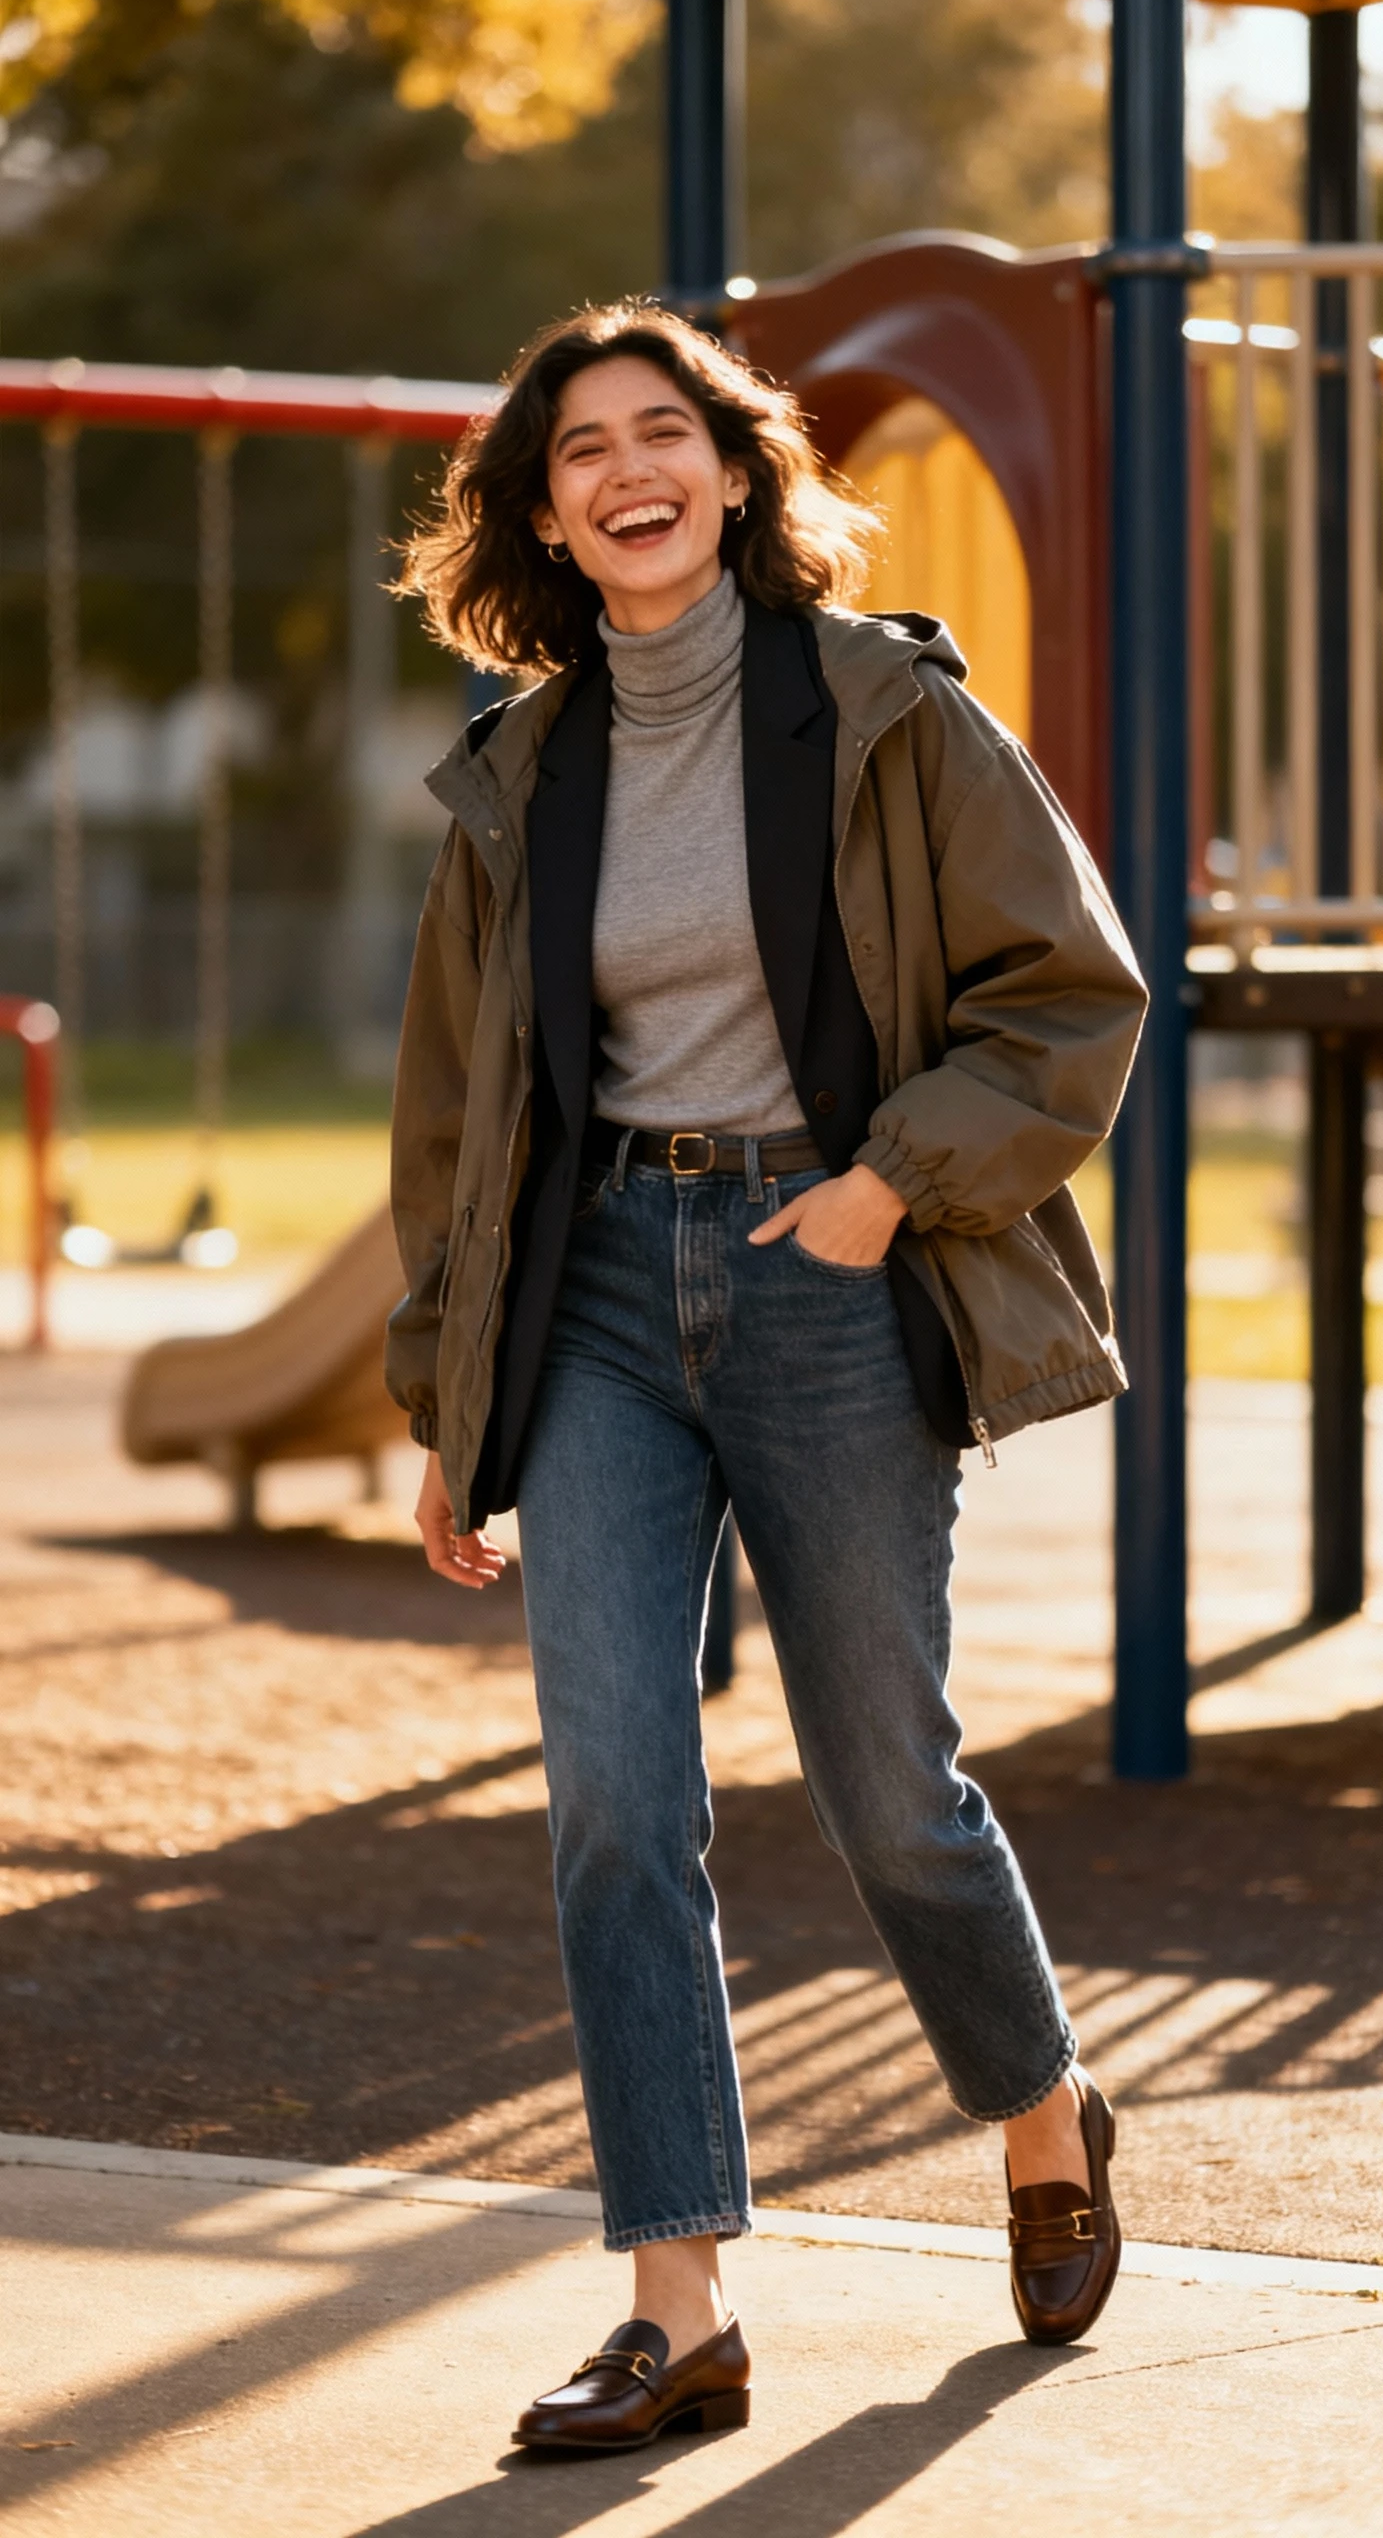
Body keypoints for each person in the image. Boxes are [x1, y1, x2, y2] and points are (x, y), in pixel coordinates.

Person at [386, 300, 1147, 2454]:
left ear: (732, 472)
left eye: (665, 433)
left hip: (831, 1264)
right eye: (582, 450)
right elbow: (458, 1120)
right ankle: (679, 2303)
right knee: (619, 1804)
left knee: (890, 1789)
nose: (627, 470)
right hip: (602, 1291)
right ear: (543, 513)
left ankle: (1038, 2105)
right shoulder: (521, 771)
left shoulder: (887, 709)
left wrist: (892, 1184)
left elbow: (1068, 997)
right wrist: (452, 1404)